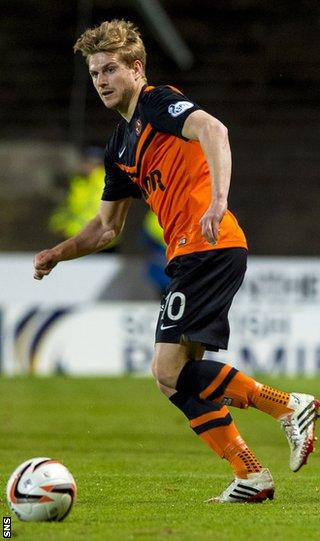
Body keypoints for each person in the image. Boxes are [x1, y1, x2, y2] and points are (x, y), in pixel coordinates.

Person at [33, 19, 319, 503]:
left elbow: (214, 129)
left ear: (136, 68)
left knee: (166, 372)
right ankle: (251, 475)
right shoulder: (119, 146)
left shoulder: (156, 102)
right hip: (191, 254)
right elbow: (107, 227)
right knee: (180, 382)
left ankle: (289, 407)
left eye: (109, 69)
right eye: (94, 73)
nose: (101, 80)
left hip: (209, 245)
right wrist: (58, 254)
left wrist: (217, 201)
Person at [49, 146, 120, 253]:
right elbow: (70, 207)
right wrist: (58, 224)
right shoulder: (79, 182)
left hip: (99, 241)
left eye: (85, 161)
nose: (82, 165)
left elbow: (99, 213)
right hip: (77, 238)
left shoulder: (106, 181)